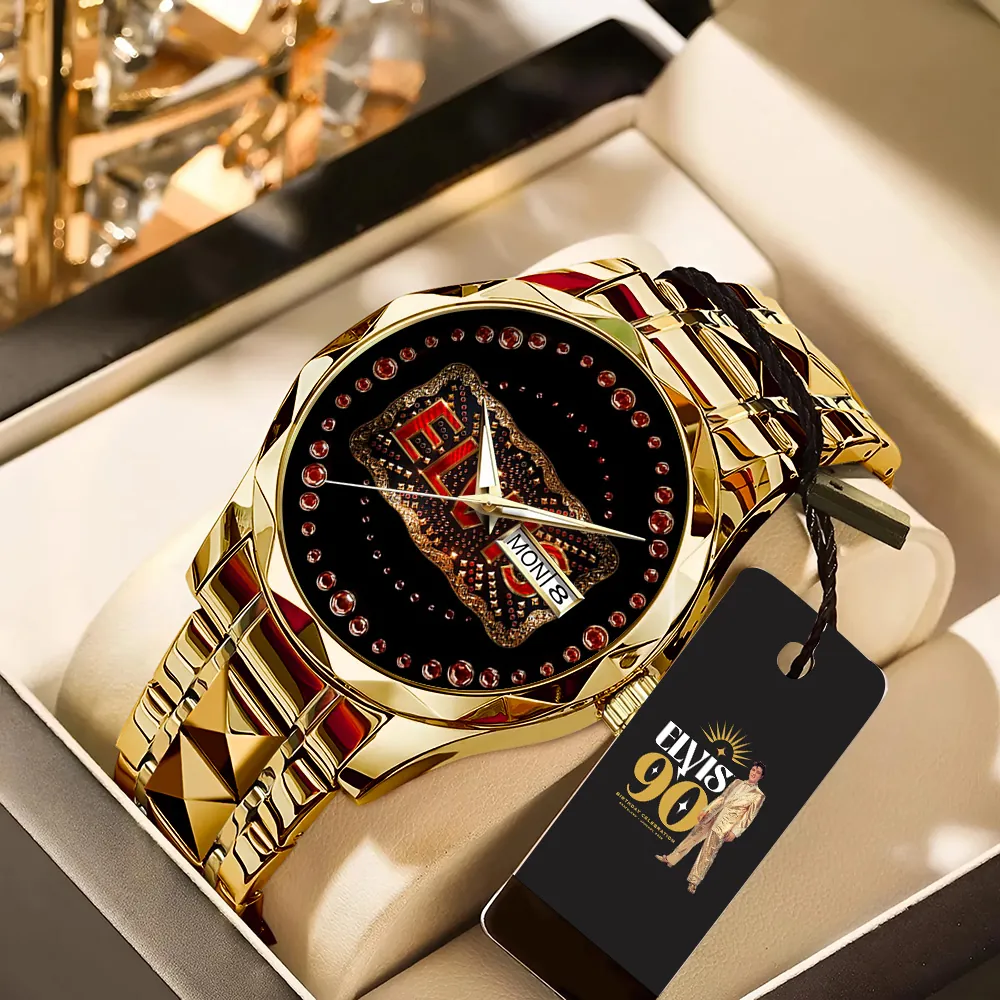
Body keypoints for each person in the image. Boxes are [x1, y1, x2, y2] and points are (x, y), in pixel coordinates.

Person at [655, 761, 766, 893]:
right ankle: (670, 859)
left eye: (758, 772)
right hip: (712, 814)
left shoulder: (758, 795)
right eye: (753, 770)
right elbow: (722, 797)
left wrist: (735, 832)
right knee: (691, 838)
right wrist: (706, 810)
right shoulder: (737, 782)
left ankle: (694, 881)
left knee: (708, 852)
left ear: (761, 777)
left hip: (725, 825)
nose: (754, 773)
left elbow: (748, 817)